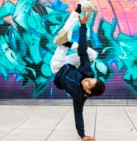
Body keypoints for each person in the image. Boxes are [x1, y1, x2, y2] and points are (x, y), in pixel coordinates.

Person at [50, 1, 105, 141]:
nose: (87, 80)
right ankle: (78, 10)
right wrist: (83, 25)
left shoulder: (79, 96)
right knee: (92, 55)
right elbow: (82, 52)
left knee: (65, 36)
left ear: (88, 92)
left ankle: (64, 42)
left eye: (88, 84)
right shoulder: (88, 73)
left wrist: (82, 135)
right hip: (69, 64)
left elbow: (78, 114)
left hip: (58, 68)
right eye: (91, 79)